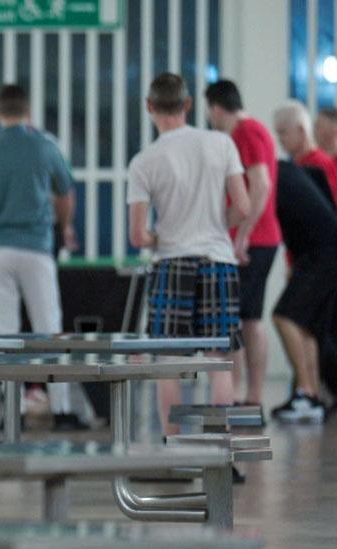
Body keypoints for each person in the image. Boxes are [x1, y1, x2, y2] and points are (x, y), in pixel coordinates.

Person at [126, 73, 252, 436]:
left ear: (149, 107)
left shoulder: (144, 160)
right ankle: (220, 452)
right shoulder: (220, 143)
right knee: (219, 361)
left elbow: (138, 235)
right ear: (188, 105)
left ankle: (174, 449)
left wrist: (162, 234)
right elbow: (242, 207)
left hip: (171, 262)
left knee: (170, 361)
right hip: (218, 259)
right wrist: (214, 225)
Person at [0, 84, 84, 431]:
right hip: (37, 247)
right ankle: (61, 409)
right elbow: (65, 192)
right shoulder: (45, 147)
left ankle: (13, 411)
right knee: (49, 328)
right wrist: (64, 228)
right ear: (28, 112)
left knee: (2, 333)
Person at [204, 80, 281, 412]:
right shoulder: (252, 131)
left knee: (239, 319)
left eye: (209, 112)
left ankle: (241, 397)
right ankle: (246, 397)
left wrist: (243, 233)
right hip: (259, 238)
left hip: (255, 240)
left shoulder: (246, 133)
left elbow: (261, 185)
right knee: (246, 318)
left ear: (217, 108)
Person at [269, 161, 337, 423]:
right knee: (306, 325)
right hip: (319, 252)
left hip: (322, 254)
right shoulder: (289, 169)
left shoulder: (270, 175)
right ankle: (313, 396)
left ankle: (306, 394)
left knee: (284, 317)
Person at [274, 100, 337, 207]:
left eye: (283, 132)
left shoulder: (320, 163)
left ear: (301, 130)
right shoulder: (295, 164)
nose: (280, 139)